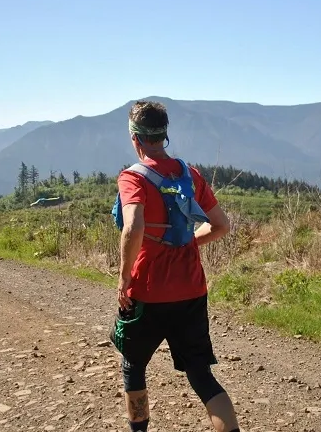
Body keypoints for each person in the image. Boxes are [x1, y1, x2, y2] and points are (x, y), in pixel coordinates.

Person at [109, 100, 241, 432]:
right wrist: (188, 241)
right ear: (164, 135)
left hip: (147, 292)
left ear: (134, 138)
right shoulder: (189, 174)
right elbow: (221, 225)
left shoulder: (132, 178)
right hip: (191, 290)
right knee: (201, 374)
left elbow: (133, 226)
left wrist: (124, 278)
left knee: (134, 365)